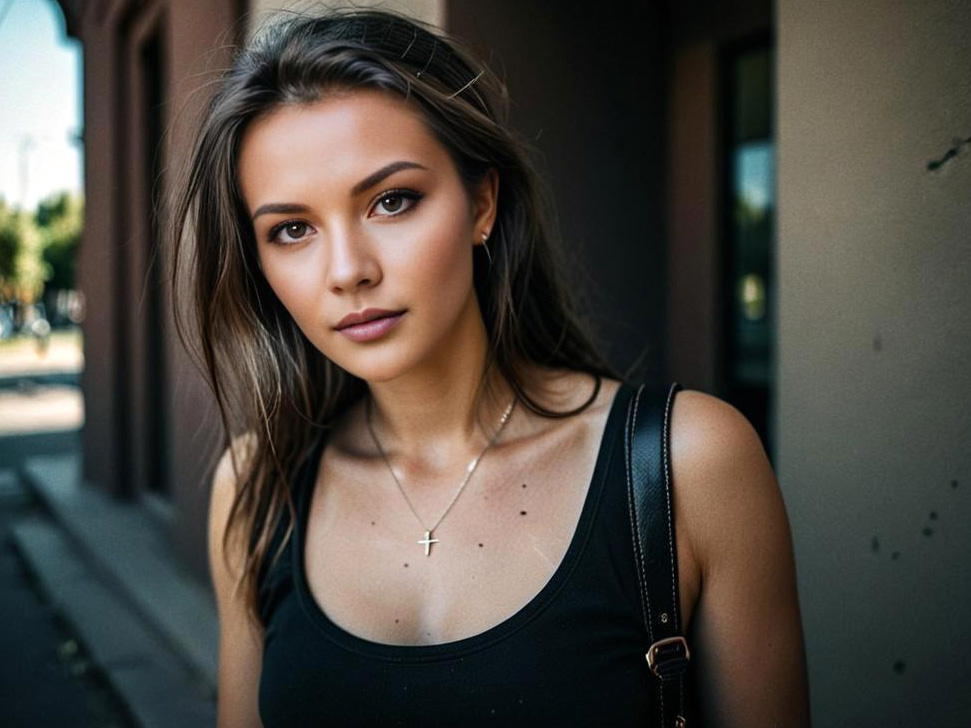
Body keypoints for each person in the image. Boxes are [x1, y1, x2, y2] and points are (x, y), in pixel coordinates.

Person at [171, 9, 810, 727]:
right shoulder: (257, 489)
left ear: (481, 203)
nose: (347, 271)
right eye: (292, 230)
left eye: (391, 201)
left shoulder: (688, 465)